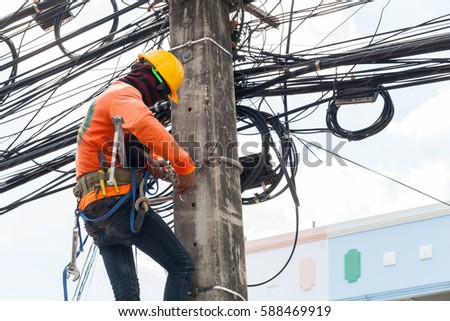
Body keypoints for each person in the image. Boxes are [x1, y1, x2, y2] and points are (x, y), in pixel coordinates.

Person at [73, 50, 196, 301]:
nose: (158, 99)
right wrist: (184, 167)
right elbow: (143, 124)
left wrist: (154, 165)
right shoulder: (122, 95)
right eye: (162, 93)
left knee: (127, 295)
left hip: (95, 212)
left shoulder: (109, 101)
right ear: (156, 82)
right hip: (114, 203)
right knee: (180, 265)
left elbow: (124, 149)